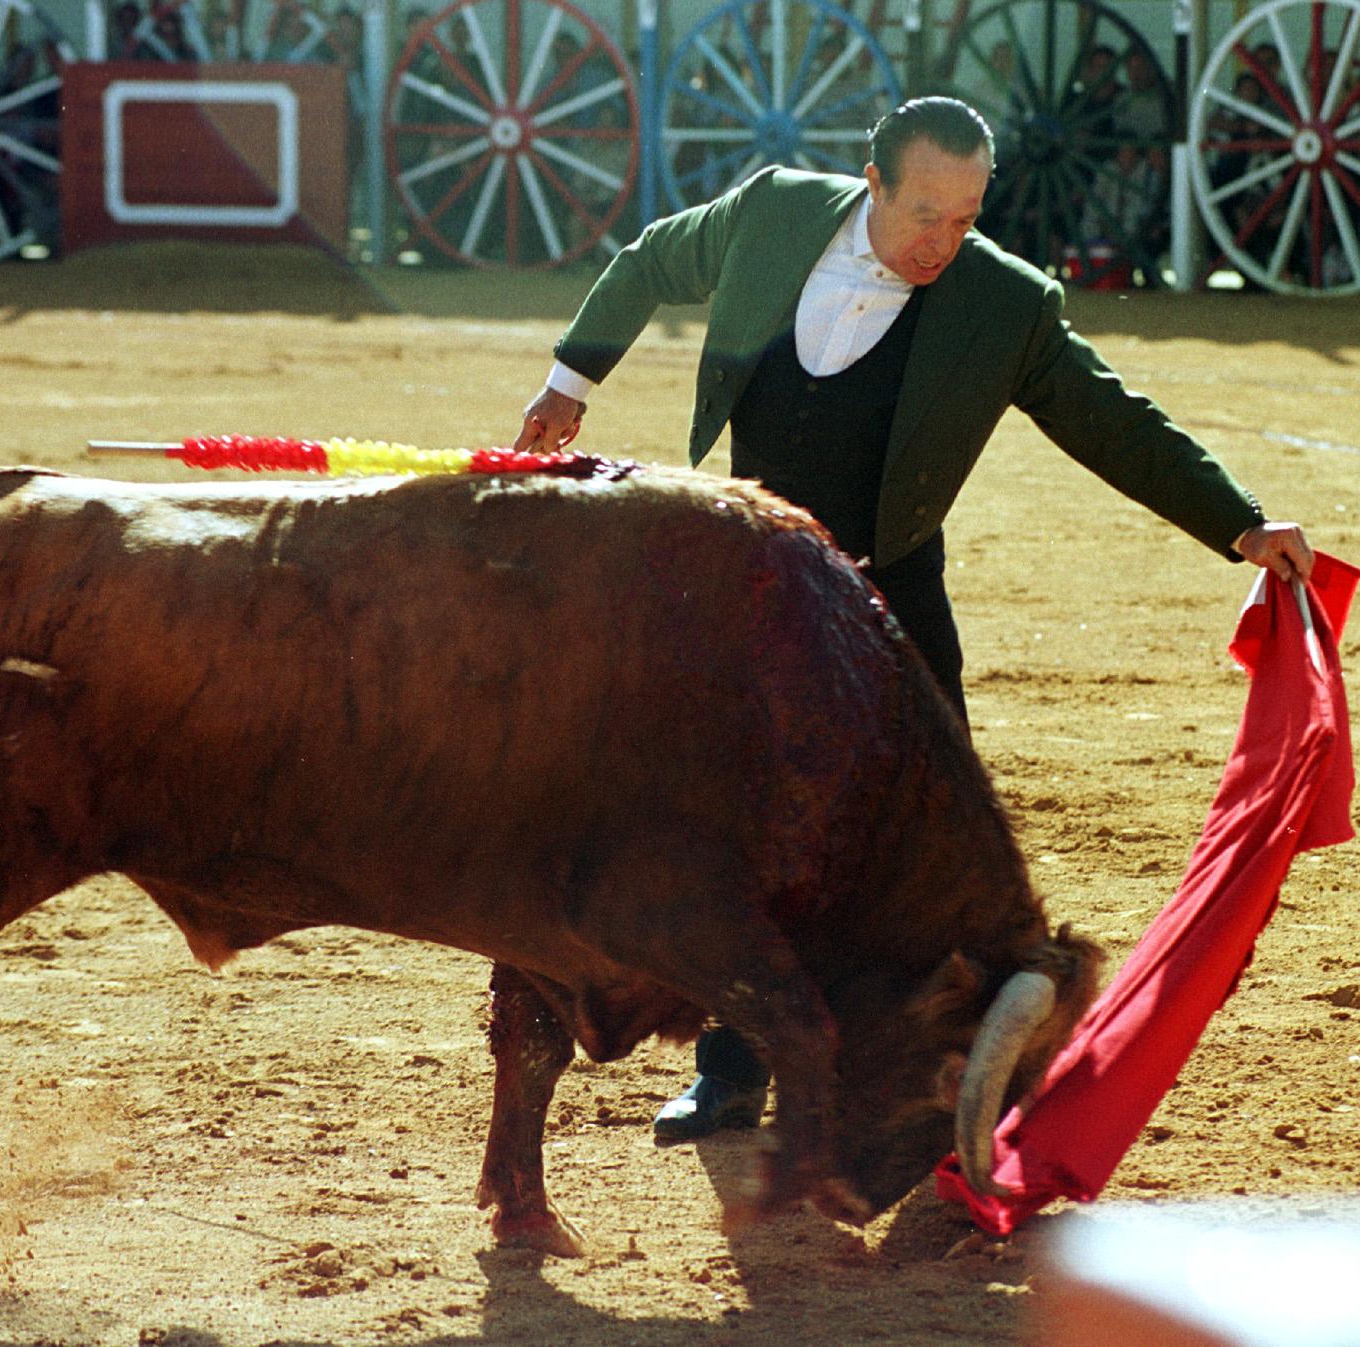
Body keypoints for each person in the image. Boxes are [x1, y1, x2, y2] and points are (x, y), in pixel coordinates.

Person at [511, 97, 1313, 1143]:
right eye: (925, 211)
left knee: (937, 842)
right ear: (871, 182)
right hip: (757, 587)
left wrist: (1240, 524)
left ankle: (950, 1071)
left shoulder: (1002, 302)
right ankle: (732, 1070)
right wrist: (571, 379)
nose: (945, 239)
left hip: (892, 595)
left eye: (967, 216)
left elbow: (1109, 420)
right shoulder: (772, 214)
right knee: (737, 824)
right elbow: (653, 260)